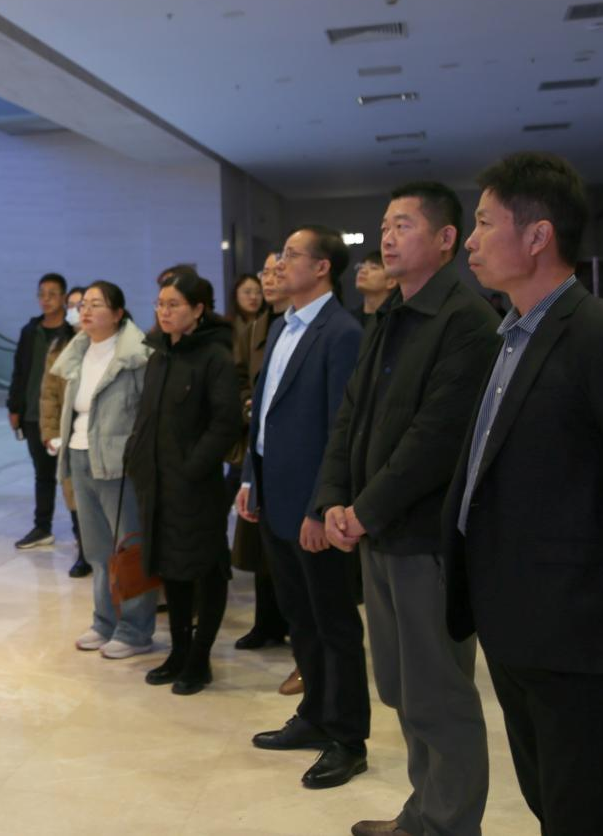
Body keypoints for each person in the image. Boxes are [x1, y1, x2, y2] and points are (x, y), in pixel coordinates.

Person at [444, 151, 603, 836]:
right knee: (551, 800)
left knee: (592, 809)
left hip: (583, 626)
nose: (470, 241)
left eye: (484, 222)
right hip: (513, 617)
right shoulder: (509, 337)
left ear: (537, 235)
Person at [316, 182, 498, 836]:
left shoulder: (466, 321)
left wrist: (362, 511)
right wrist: (332, 500)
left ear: (446, 238)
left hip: (426, 539)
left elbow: (435, 439)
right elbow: (351, 416)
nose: (387, 238)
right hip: (378, 533)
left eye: (403, 225)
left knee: (437, 691)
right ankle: (424, 812)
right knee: (400, 685)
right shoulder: (389, 312)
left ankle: (448, 824)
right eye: (384, 226)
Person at [237, 227, 370, 790]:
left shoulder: (341, 333)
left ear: (321, 268)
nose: (278, 264)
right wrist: (250, 478)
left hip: (314, 506)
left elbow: (344, 429)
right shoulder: (281, 325)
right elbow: (265, 413)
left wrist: (324, 506)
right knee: (300, 618)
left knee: (334, 623)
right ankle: (315, 713)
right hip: (275, 495)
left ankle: (348, 737)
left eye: (290, 255)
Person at [126, 270, 242, 693]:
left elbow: (226, 422)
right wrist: (137, 458)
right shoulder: (160, 353)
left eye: (174, 304)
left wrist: (193, 467)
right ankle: (178, 651)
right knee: (170, 569)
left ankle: (200, 657)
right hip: (157, 483)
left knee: (206, 569)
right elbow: (148, 416)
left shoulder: (214, 356)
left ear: (197, 309)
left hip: (196, 486)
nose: (164, 311)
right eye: (160, 304)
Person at [52, 281, 155, 657]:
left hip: (117, 462)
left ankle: (135, 629)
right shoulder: (78, 351)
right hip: (80, 455)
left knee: (128, 546)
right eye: (83, 305)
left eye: (96, 304)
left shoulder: (135, 355)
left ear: (117, 313)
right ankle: (104, 621)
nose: (86, 310)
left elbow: (147, 413)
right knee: (96, 548)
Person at [230, 256, 291, 662]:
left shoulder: (311, 327)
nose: (269, 279)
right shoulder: (256, 328)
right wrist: (247, 403)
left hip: (290, 451)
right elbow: (239, 376)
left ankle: (292, 628)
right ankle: (266, 622)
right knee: (260, 543)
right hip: (259, 444)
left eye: (276, 271)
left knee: (288, 549)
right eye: (264, 273)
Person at [7, 273, 74, 549]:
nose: (46, 300)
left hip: (67, 414)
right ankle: (42, 527)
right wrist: (15, 406)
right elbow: (19, 370)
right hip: (34, 413)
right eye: (42, 294)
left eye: (52, 294)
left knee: (71, 475)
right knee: (42, 473)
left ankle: (82, 530)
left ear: (64, 298)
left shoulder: (73, 332)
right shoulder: (30, 331)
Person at [41, 286, 92, 577]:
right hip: (68, 432)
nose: (76, 311)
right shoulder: (59, 348)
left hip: (96, 434)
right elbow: (48, 394)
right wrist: (50, 432)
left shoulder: (104, 345)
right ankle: (84, 551)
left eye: (81, 304)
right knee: (73, 494)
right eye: (71, 306)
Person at [353, 250, 397, 329]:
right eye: (361, 267)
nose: (362, 271)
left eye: (374, 268)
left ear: (391, 281)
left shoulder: (397, 321)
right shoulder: (348, 319)